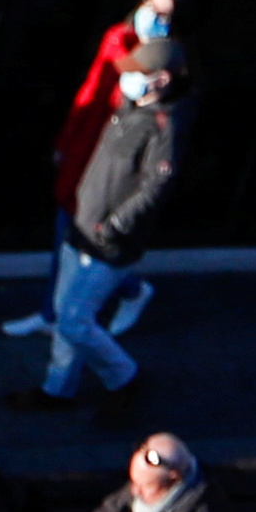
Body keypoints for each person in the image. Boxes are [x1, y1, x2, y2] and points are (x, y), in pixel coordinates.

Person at [46, 39, 185, 404]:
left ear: (162, 79)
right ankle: (57, 389)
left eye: (139, 73)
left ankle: (125, 378)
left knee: (75, 321)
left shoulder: (162, 127)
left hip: (109, 245)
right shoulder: (125, 110)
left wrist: (112, 226)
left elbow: (155, 188)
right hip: (80, 229)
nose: (129, 80)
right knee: (65, 318)